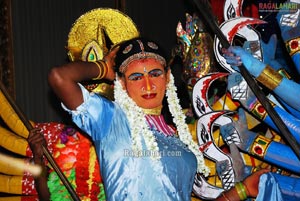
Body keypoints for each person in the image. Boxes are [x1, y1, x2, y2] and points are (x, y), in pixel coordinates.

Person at [47, 36, 269, 200]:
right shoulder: (111, 119)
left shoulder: (178, 139)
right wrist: (103, 68)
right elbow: (60, 77)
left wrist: (242, 190)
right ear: (122, 84)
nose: (148, 85)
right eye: (136, 77)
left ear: (168, 77)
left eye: (155, 73)